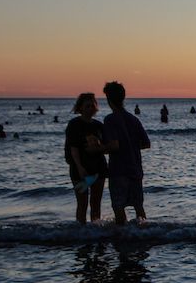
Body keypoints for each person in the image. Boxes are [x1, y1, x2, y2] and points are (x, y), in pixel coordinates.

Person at [101, 81, 151, 225]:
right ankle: (144, 234)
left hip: (119, 170)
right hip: (135, 169)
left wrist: (98, 149)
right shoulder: (133, 119)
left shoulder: (110, 119)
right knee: (138, 206)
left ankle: (123, 237)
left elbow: (114, 146)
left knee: (118, 206)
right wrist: (131, 145)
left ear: (108, 99)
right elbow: (146, 143)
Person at [64, 92, 108, 224]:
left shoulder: (99, 125)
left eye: (93, 105)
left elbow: (105, 146)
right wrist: (79, 167)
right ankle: (82, 232)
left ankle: (95, 230)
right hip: (80, 169)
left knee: (96, 203)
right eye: (87, 106)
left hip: (98, 167)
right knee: (82, 203)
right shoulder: (74, 124)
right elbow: (73, 148)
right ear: (81, 108)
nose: (91, 108)